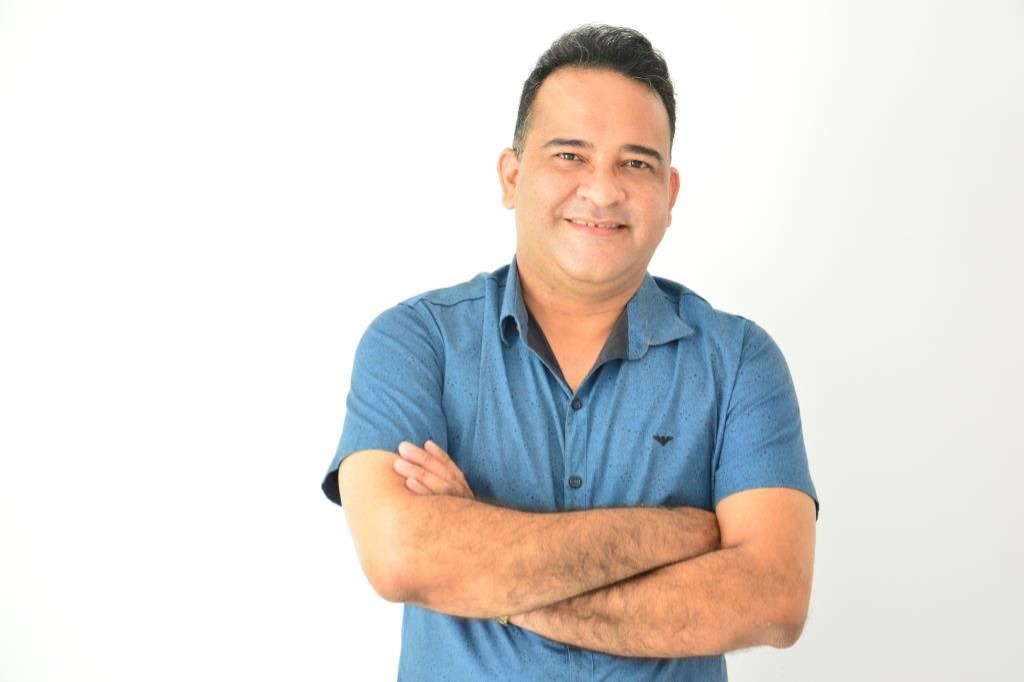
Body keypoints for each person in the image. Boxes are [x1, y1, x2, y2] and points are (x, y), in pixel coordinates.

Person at [321, 24, 819, 681]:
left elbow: (771, 599)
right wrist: (676, 534)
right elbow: (400, 556)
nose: (603, 190)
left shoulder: (740, 362)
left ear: (669, 195)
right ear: (512, 176)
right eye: (570, 155)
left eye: (635, 164)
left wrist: (484, 572)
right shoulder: (416, 343)